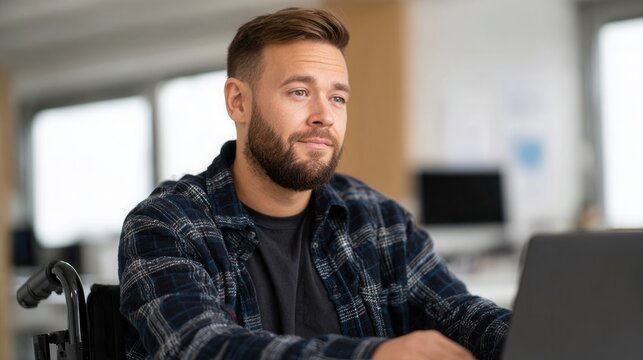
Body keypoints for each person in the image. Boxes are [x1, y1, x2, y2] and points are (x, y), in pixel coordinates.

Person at [118, 7, 511, 360]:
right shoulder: (165, 225)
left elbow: (460, 314)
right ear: (238, 102)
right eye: (300, 92)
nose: (324, 115)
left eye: (338, 98)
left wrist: (533, 338)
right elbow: (200, 348)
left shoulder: (378, 219)